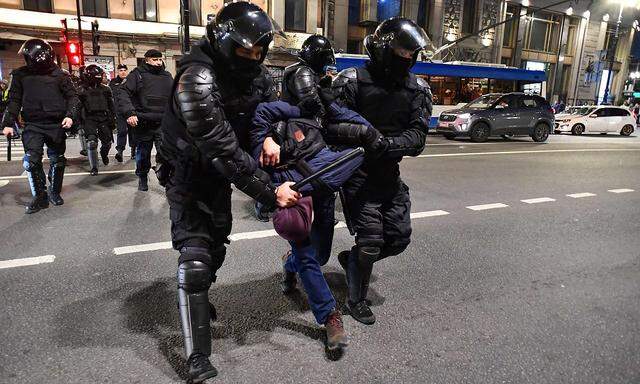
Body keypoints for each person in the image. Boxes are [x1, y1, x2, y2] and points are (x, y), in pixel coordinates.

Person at [158, 2, 301, 382]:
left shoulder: (257, 76)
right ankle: (196, 357)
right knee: (196, 256)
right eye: (244, 50)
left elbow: (269, 113)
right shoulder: (197, 79)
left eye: (259, 51)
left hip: (221, 175)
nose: (253, 58)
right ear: (224, 43)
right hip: (188, 172)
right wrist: (270, 194)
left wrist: (271, 136)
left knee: (217, 246)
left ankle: (198, 297)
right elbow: (221, 149)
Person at [332, 17, 432, 324]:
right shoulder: (350, 80)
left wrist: (386, 144)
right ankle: (355, 299)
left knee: (399, 239)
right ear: (384, 48)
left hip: (389, 174)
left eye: (411, 53)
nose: (407, 58)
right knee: (371, 239)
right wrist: (363, 136)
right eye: (402, 51)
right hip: (357, 174)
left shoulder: (417, 89)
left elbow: (417, 138)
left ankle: (355, 261)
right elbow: (331, 125)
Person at [2, 39, 79, 213]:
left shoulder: (61, 75)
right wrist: (7, 123)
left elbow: (73, 98)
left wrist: (70, 116)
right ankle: (40, 197)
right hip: (33, 124)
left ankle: (54, 192)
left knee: (58, 160)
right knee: (30, 161)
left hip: (56, 124)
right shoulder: (20, 75)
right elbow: (14, 100)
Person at [117, 49, 173, 191]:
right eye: (155, 59)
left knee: (165, 153)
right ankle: (142, 177)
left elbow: (174, 97)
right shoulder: (137, 75)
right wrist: (130, 113)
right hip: (143, 122)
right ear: (147, 60)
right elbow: (123, 92)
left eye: (160, 59)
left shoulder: (167, 76)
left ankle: (165, 178)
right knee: (143, 154)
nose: (158, 62)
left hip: (162, 122)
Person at [78, 64, 116, 175]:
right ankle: (94, 167)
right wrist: (78, 123)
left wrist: (113, 119)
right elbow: (78, 107)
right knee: (91, 143)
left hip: (104, 118)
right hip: (89, 118)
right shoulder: (82, 90)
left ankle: (104, 154)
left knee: (107, 143)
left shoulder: (106, 89)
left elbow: (111, 106)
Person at [109, 64, 136, 162]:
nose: (123, 72)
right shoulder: (113, 83)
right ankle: (120, 151)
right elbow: (110, 98)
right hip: (119, 111)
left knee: (133, 132)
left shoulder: (130, 82)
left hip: (130, 110)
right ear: (117, 72)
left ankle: (134, 150)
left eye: (125, 70)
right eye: (121, 70)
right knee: (121, 131)